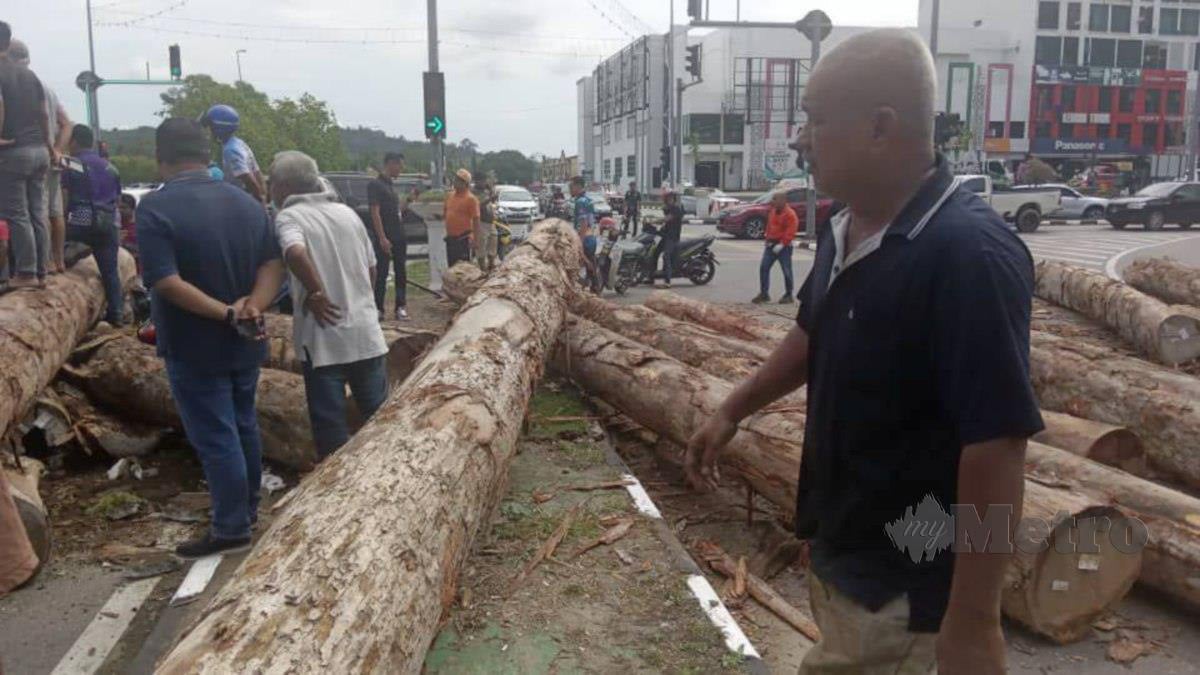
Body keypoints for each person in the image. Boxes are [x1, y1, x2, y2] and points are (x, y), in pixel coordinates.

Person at [686, 29, 1044, 675]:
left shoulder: (966, 254)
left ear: (881, 127)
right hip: (846, 546)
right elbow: (813, 333)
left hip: (909, 581)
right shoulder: (847, 224)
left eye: (816, 120)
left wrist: (973, 620)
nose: (799, 138)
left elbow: (998, 444)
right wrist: (732, 408)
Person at [136, 118, 284, 558]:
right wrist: (252, 306)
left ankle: (231, 526)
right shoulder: (246, 203)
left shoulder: (156, 208)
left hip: (193, 342)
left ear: (161, 158)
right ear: (206, 155)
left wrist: (223, 313)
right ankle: (247, 510)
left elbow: (164, 281)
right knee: (242, 424)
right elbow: (273, 265)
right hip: (245, 336)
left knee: (216, 434)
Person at [269, 151, 389, 459]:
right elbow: (372, 267)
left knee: (331, 430)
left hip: (324, 340)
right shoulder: (346, 213)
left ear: (283, 186)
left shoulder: (289, 217)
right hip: (365, 333)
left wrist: (317, 292)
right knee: (381, 422)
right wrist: (362, 298)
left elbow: (295, 253)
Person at [8, 40, 71, 275]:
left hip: (26, 154)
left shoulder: (18, 85)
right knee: (54, 212)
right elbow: (66, 123)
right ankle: (57, 262)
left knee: (32, 211)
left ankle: (37, 266)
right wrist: (56, 150)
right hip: (48, 158)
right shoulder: (47, 87)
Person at [0, 22, 51, 290]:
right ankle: (42, 271)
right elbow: (43, 114)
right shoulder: (30, 75)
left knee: (17, 214)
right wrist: (51, 147)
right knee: (36, 212)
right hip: (39, 150)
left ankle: (26, 272)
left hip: (13, 151)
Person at [61, 124, 124, 325]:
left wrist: (61, 223)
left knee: (58, 254)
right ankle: (117, 315)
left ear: (75, 141)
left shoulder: (72, 164)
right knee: (111, 271)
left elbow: (65, 195)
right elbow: (119, 199)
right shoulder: (110, 166)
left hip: (81, 220)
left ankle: (73, 251)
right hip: (107, 221)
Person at [367, 152, 409, 320]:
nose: (401, 169)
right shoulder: (375, 185)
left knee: (401, 272)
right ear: (391, 164)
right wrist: (382, 237)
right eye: (399, 165)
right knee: (382, 272)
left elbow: (396, 212)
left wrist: (408, 202)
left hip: (399, 235)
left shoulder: (391, 186)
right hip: (386, 236)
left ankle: (400, 306)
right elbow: (375, 212)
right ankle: (378, 307)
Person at [199, 104, 267, 205]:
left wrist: (260, 200)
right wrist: (264, 194)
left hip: (240, 200)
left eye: (210, 127)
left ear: (217, 129)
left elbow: (247, 178)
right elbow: (256, 171)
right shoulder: (239, 143)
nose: (208, 131)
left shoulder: (230, 150)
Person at [752, 191, 799, 304]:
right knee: (764, 268)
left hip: (784, 247)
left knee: (786, 270)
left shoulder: (790, 214)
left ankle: (788, 295)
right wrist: (767, 238)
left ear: (783, 201)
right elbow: (770, 226)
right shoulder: (773, 211)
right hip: (771, 245)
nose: (772, 201)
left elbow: (791, 231)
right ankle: (764, 293)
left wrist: (782, 244)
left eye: (775, 199)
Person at [569, 175, 600, 292]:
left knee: (581, 264)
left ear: (578, 186)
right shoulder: (587, 200)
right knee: (589, 265)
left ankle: (593, 288)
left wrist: (579, 242)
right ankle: (594, 288)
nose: (570, 189)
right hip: (590, 237)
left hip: (585, 238)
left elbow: (583, 224)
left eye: (571, 187)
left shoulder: (581, 202)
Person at [443, 168, 478, 268]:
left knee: (463, 269)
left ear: (465, 183)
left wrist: (476, 240)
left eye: (458, 180)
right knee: (452, 266)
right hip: (451, 239)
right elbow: (446, 213)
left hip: (464, 239)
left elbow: (476, 220)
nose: (455, 181)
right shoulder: (449, 196)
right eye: (455, 179)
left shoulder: (471, 199)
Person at [652, 189, 684, 287]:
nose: (669, 200)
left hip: (673, 237)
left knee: (666, 256)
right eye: (667, 198)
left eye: (671, 198)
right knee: (654, 253)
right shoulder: (667, 208)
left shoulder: (676, 209)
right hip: (666, 235)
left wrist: (655, 221)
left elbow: (668, 219)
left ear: (674, 199)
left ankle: (667, 281)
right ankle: (651, 277)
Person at [475, 177, 499, 273]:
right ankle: (482, 268)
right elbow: (478, 206)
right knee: (481, 245)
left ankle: (491, 264)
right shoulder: (474, 193)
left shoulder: (486, 191)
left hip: (490, 222)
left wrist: (491, 189)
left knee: (493, 241)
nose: (484, 183)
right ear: (477, 181)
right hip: (481, 222)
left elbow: (493, 202)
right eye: (482, 181)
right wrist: (489, 199)